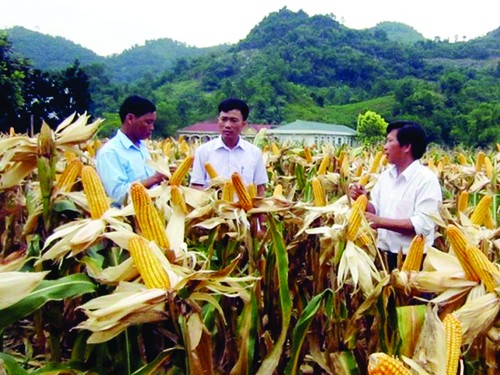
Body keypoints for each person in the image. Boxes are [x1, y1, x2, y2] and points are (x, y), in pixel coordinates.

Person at [349, 120, 442, 271]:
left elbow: (423, 224)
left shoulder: (426, 180)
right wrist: (363, 199)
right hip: (383, 257)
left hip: (414, 261)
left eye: (390, 141)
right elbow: (377, 212)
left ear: (406, 146)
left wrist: (380, 222)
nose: (384, 147)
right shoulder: (386, 176)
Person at [96, 95, 167, 205]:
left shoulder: (142, 147)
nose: (152, 128)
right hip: (126, 219)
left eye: (153, 123)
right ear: (130, 118)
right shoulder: (110, 152)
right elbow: (118, 195)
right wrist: (155, 179)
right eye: (148, 122)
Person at [190, 98, 268, 196]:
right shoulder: (203, 151)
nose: (227, 125)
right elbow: (196, 185)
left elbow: (260, 188)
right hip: (213, 210)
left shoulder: (254, 153)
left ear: (243, 124)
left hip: (244, 211)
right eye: (224, 119)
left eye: (233, 120)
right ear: (218, 120)